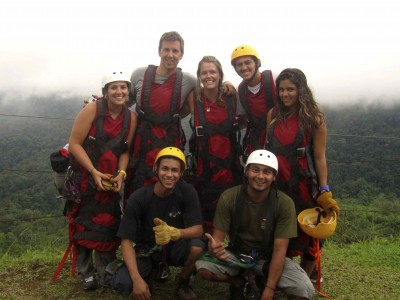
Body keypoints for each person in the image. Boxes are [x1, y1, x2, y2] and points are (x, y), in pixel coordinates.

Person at [126, 31, 236, 197]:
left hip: (171, 140)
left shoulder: (188, 80)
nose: (170, 55)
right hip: (141, 143)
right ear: (159, 51)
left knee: (169, 188)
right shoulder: (139, 75)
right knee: (137, 189)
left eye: (175, 51)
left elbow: (208, 91)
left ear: (181, 54)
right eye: (166, 50)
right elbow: (125, 103)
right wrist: (100, 104)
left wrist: (227, 85)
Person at [195, 150, 315, 300]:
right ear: (246, 172)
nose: (260, 176)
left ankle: (264, 281)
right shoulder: (230, 197)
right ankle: (238, 282)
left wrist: (269, 290)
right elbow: (218, 240)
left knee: (304, 289)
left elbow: (280, 250)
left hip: (269, 258)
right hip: (237, 254)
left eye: (267, 172)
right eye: (255, 170)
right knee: (203, 267)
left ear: (274, 177)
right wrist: (214, 249)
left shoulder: (284, 203)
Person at [265, 68, 340, 278]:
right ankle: (283, 277)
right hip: (278, 185)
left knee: (310, 233)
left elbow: (319, 157)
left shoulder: (314, 119)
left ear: (301, 91)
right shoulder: (272, 115)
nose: (285, 94)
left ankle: (306, 278)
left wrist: (324, 190)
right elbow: (267, 149)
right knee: (280, 232)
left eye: (290, 89)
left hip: (305, 185)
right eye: (281, 89)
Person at [67, 71, 137, 289]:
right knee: (85, 222)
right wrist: (93, 171)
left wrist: (122, 174)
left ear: (128, 91)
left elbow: (125, 150)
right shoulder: (92, 110)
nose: (119, 92)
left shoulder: (131, 118)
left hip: (110, 179)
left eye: (123, 87)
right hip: (87, 177)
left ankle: (105, 272)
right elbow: (75, 143)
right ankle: (86, 272)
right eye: (113, 87)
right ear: (106, 92)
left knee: (108, 223)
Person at [110, 147, 204, 300]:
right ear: (156, 169)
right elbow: (126, 240)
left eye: (175, 170)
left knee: (197, 247)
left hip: (175, 245)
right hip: (148, 248)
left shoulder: (187, 192)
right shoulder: (138, 199)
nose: (169, 174)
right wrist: (136, 279)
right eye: (165, 169)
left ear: (181, 173)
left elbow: (198, 230)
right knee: (124, 283)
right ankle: (147, 276)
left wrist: (176, 232)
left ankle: (183, 282)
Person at [182, 55, 243, 233]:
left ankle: (234, 254)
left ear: (220, 74)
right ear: (199, 76)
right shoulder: (193, 98)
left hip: (230, 168)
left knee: (233, 214)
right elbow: (174, 114)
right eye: (204, 72)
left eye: (212, 72)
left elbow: (248, 119)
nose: (208, 76)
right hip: (203, 169)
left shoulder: (232, 96)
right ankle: (207, 255)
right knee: (205, 214)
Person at [231, 45, 277, 163]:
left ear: (257, 63)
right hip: (256, 137)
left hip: (279, 134)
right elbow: (244, 119)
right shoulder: (240, 91)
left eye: (247, 63)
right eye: (239, 65)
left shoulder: (275, 80)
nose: (244, 68)